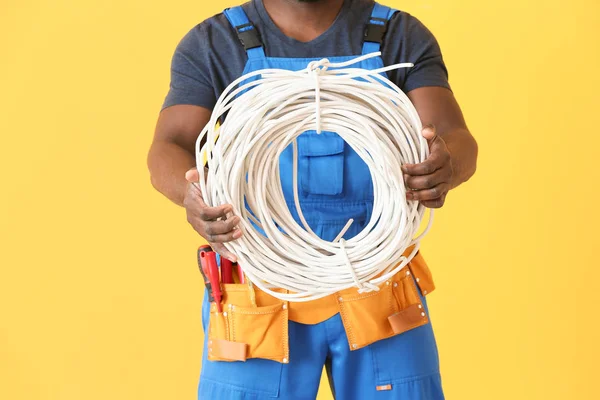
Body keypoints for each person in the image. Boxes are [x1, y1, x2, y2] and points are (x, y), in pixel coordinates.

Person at [147, 0, 478, 398]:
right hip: (259, 279)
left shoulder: (398, 35)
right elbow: (170, 145)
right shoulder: (214, 41)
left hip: (378, 277)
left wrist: (447, 164)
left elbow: (453, 135)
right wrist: (191, 194)